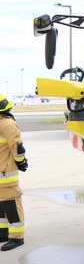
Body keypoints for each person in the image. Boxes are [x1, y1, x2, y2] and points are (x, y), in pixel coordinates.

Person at [0, 94, 28, 251]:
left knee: (11, 204)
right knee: (1, 205)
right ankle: (3, 233)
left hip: (6, 174)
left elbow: (17, 147)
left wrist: (21, 162)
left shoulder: (7, 124)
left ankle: (17, 237)